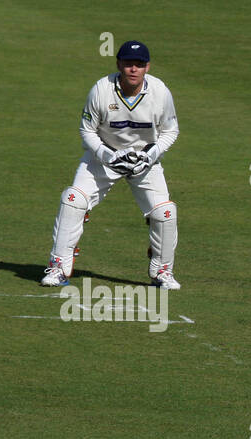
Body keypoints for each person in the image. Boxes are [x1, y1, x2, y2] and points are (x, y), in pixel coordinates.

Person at [40, 40, 180, 289]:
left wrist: (149, 155)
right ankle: (58, 266)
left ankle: (162, 272)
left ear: (147, 67)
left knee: (164, 213)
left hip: (144, 162)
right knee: (74, 200)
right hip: (103, 159)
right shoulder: (101, 89)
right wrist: (108, 156)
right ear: (119, 65)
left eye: (139, 64)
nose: (133, 69)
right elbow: (87, 130)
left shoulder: (160, 92)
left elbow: (170, 131)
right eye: (128, 64)